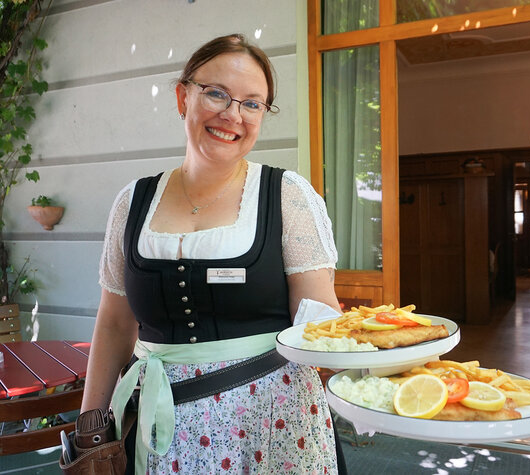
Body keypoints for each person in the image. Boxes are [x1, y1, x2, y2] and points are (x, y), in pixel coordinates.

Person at [81, 33, 347, 474]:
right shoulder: (133, 202)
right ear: (183, 97)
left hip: (273, 425)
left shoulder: (287, 196)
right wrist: (90, 425)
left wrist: (373, 375)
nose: (233, 115)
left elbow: (319, 318)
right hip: (159, 427)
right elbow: (113, 322)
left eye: (252, 103)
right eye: (218, 94)